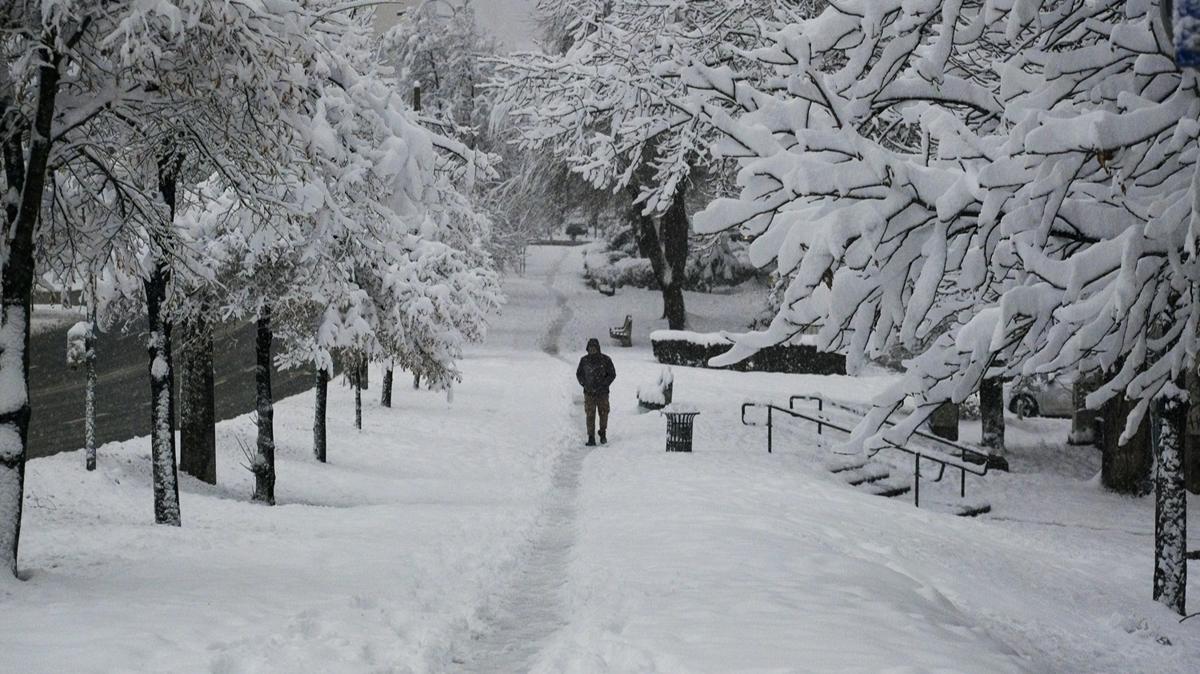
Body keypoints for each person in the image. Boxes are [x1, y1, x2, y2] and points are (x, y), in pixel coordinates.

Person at [576, 337, 616, 446]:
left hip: (602, 393)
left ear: (598, 348)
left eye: (594, 348)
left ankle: (602, 433)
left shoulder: (606, 360)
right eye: (590, 348)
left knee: (604, 414)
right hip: (589, 394)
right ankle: (591, 437)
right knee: (590, 415)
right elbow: (579, 374)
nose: (592, 350)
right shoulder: (584, 361)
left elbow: (612, 374)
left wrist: (604, 384)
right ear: (587, 349)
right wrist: (584, 384)